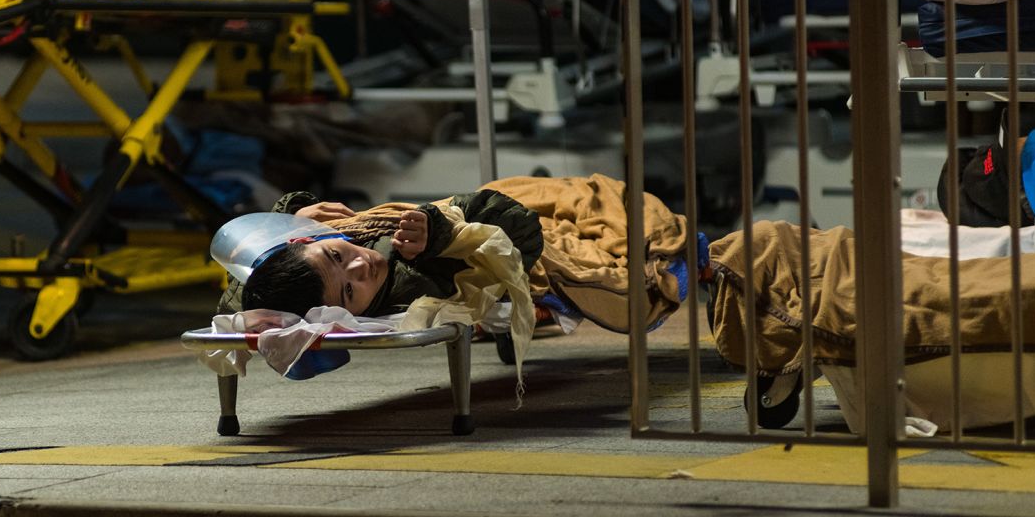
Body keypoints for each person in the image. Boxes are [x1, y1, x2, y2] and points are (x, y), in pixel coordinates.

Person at [217, 174, 692, 335]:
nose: (361, 264)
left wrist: (291, 215)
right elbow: (520, 235)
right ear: (339, 314)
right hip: (514, 228)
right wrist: (442, 234)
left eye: (338, 258)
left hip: (497, 201)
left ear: (305, 243)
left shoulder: (326, 237)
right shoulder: (417, 282)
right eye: (349, 290)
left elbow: (242, 293)